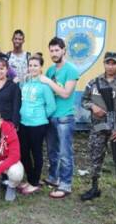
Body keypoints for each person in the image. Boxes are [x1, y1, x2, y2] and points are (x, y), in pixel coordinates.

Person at [80, 52, 116, 206]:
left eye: (114, 63)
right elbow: (84, 100)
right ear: (104, 63)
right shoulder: (94, 82)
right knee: (95, 158)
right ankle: (94, 188)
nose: (110, 66)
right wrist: (93, 107)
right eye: (108, 63)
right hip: (98, 127)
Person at [39, 37, 79, 198]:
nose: (54, 53)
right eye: (52, 50)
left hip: (65, 117)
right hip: (51, 116)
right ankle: (53, 177)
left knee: (65, 152)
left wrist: (48, 81)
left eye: (57, 50)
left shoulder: (71, 70)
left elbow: (65, 93)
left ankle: (65, 184)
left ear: (64, 50)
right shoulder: (50, 70)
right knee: (52, 151)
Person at [18, 56, 56, 195]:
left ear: (41, 68)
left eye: (36, 65)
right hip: (23, 123)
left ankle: (34, 182)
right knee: (24, 153)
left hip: (38, 124)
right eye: (31, 65)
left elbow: (51, 106)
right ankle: (30, 179)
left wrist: (40, 116)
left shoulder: (44, 85)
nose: (33, 68)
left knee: (36, 152)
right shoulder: (26, 83)